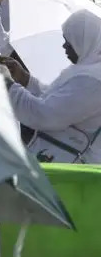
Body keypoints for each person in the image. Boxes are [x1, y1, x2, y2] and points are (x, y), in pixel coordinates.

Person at [7, 10, 101, 163]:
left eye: (69, 42)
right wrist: (25, 79)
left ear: (84, 42)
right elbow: (58, 100)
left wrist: (8, 86)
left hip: (72, 166)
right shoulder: (88, 70)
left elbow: (46, 115)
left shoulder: (92, 80)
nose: (64, 46)